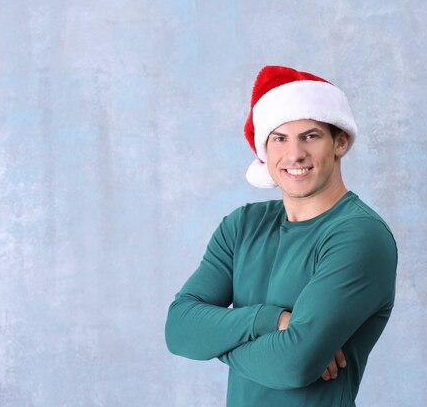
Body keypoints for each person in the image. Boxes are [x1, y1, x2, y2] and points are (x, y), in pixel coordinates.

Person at [165, 65, 397, 407]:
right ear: (265, 149)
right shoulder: (242, 225)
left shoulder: (359, 235)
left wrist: (214, 342)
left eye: (311, 135)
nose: (294, 155)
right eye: (279, 138)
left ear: (340, 142)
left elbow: (294, 364)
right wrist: (271, 320)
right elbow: (179, 329)